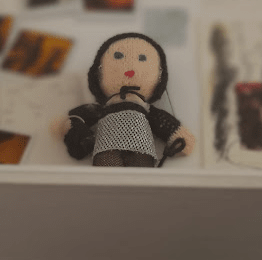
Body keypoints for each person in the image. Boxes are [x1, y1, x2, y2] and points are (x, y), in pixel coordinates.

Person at [54, 33, 194, 167]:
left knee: (140, 175)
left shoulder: (144, 107)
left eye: (142, 58)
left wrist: (179, 136)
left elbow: (162, 121)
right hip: (107, 147)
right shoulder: (105, 107)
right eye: (118, 56)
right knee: (107, 173)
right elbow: (74, 118)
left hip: (141, 148)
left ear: (159, 76)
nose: (130, 67)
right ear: (98, 72)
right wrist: (71, 127)